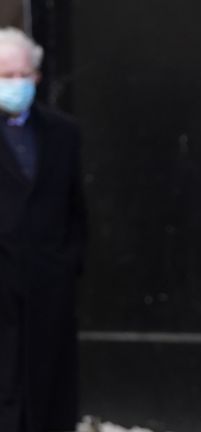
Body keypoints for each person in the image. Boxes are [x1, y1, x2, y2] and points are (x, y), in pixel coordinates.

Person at [0, 27, 86, 432]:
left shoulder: (63, 132)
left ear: (36, 77)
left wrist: (68, 264)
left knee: (50, 381)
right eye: (5, 75)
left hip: (49, 282)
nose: (15, 84)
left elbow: (75, 208)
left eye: (22, 75)